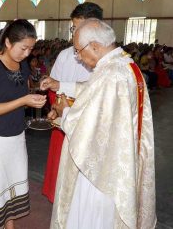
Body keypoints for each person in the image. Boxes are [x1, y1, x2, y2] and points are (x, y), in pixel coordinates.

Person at [41, 19, 156, 229]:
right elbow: (93, 92)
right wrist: (61, 86)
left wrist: (64, 111)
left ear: (94, 46)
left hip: (100, 170)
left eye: (78, 51)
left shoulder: (112, 74)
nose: (77, 57)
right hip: (112, 159)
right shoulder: (123, 65)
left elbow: (90, 129)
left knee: (90, 217)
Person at [0, 19, 47, 229]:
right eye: (23, 48)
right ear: (7, 42)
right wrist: (23, 101)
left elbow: (16, 96)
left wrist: (33, 96)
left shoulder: (22, 65)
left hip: (15, 136)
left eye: (31, 49)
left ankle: (10, 226)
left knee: (11, 188)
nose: (27, 54)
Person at [42, 2, 103, 203]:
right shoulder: (65, 55)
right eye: (73, 27)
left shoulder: (104, 61)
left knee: (82, 192)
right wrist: (55, 108)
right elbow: (54, 88)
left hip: (87, 128)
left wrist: (66, 101)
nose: (74, 33)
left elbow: (96, 92)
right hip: (63, 122)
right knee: (61, 178)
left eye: (79, 28)